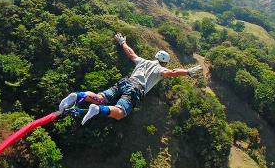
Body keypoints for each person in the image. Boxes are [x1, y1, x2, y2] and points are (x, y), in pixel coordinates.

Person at [59, 33, 202, 125]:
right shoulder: (160, 69)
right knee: (120, 113)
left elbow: (131, 54)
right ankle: (97, 110)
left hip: (124, 82)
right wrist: (188, 72)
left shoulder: (143, 61)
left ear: (156, 57)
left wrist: (122, 43)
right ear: (164, 62)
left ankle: (77, 95)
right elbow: (172, 72)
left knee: (100, 97)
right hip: (135, 89)